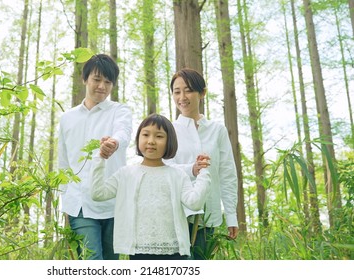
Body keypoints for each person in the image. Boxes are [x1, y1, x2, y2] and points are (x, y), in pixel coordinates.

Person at [91, 113, 211, 260]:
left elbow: (195, 202)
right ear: (138, 139)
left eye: (159, 136)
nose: (151, 141)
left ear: (169, 142)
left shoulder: (177, 175)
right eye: (146, 134)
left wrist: (204, 172)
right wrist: (101, 158)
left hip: (174, 251)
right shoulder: (126, 174)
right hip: (138, 251)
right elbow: (98, 193)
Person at [58, 54, 132, 260]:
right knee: (92, 262)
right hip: (80, 204)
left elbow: (123, 133)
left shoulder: (120, 110)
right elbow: (63, 163)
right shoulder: (67, 118)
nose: (102, 86)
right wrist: (66, 201)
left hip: (113, 203)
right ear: (85, 79)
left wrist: (113, 143)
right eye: (97, 79)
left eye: (108, 82)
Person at [168, 68, 238, 260]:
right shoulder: (168, 130)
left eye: (188, 90)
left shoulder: (217, 131)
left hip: (208, 216)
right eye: (177, 91)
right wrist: (192, 169)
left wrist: (231, 215)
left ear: (202, 93)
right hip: (177, 215)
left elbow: (227, 174)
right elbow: (164, 169)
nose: (182, 97)